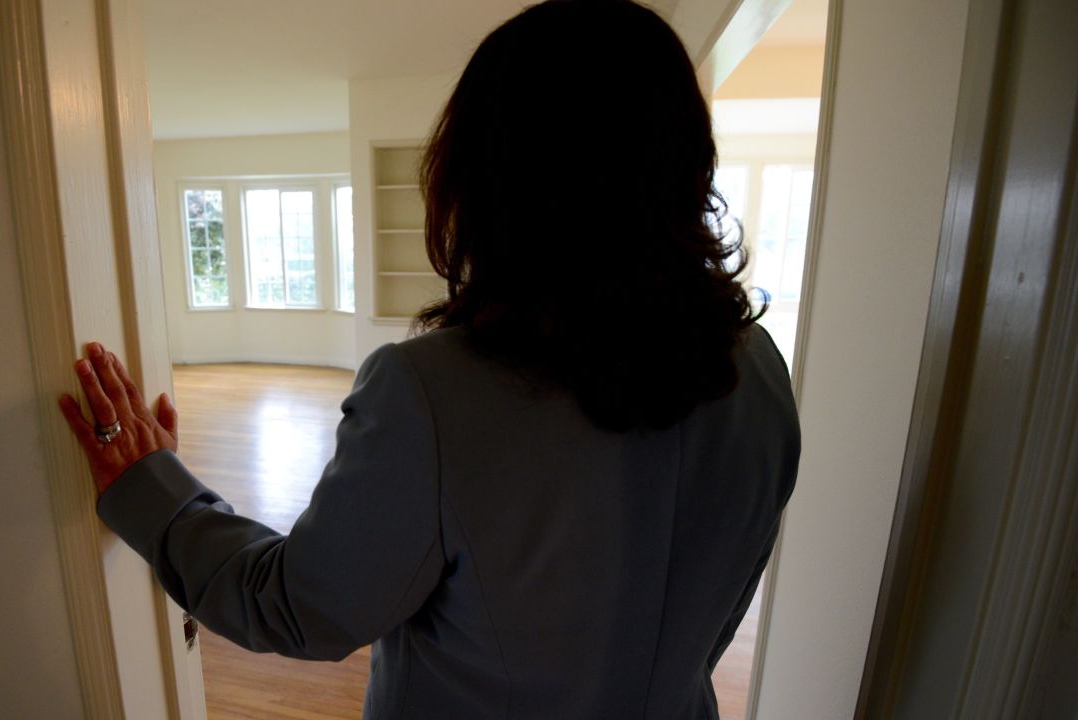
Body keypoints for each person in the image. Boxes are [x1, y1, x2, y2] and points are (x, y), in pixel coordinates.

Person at [58, 1, 799, 717]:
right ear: (685, 162)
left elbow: (298, 607)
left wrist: (151, 489)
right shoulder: (761, 371)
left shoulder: (430, 393)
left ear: (487, 179)